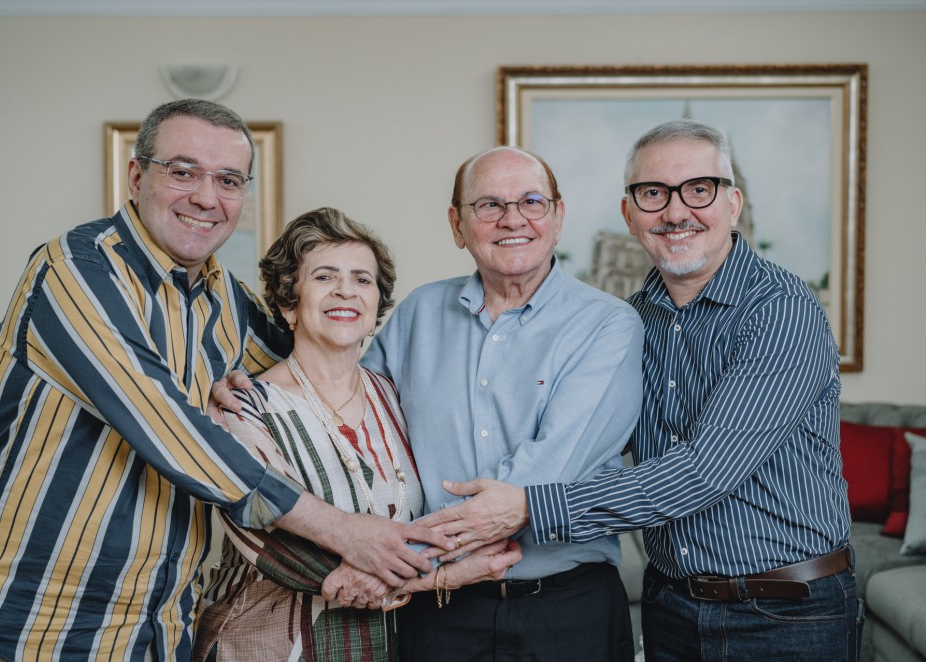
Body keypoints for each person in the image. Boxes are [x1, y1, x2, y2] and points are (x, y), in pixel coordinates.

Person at [0, 100, 448, 662]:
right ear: (136, 177)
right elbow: (170, 431)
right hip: (36, 621)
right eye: (183, 172)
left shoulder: (226, 299)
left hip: (161, 622)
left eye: (228, 180)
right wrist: (348, 534)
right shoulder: (77, 269)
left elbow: (315, 350)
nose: (207, 198)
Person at [425, 120, 860, 661]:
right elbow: (581, 439)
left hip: (785, 613)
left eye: (698, 189)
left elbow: (705, 471)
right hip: (671, 606)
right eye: (653, 193)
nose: (675, 212)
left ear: (733, 204)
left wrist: (529, 506)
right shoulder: (628, 322)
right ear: (629, 215)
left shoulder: (781, 310)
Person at [192, 207, 521, 661]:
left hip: (383, 644)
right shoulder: (243, 405)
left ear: (375, 309)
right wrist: (442, 577)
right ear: (289, 304)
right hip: (264, 643)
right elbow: (269, 535)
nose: (346, 290)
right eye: (325, 277)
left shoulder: (395, 397)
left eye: (362, 279)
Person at [354, 146, 644, 661]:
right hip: (441, 610)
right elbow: (349, 417)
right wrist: (266, 388)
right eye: (489, 204)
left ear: (557, 217)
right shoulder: (419, 313)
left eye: (532, 202)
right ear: (457, 225)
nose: (513, 219)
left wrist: (398, 564)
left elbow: (548, 468)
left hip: (567, 609)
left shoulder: (608, 324)